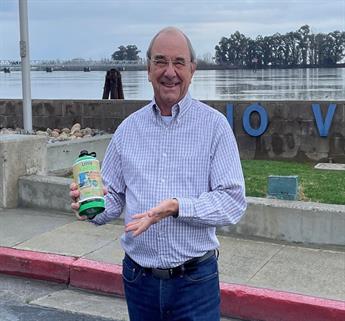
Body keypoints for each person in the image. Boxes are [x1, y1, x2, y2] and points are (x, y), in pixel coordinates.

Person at [70, 26, 246, 321]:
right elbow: (112, 198)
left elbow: (232, 203)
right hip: (140, 280)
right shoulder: (128, 130)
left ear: (193, 69)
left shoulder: (214, 127)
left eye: (179, 62)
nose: (170, 72)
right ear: (148, 69)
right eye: (160, 61)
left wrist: (178, 207)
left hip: (195, 282)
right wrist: (90, 206)